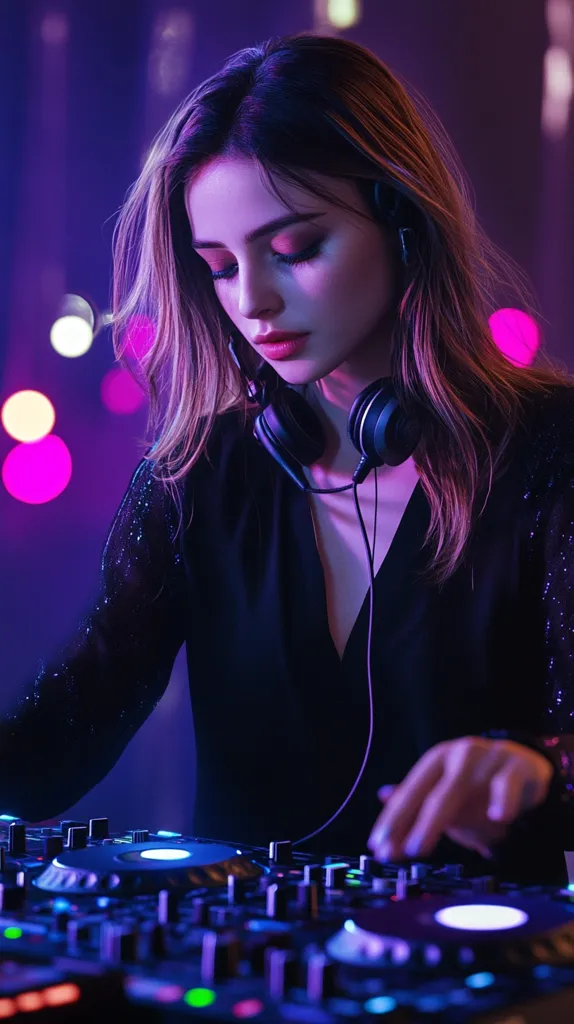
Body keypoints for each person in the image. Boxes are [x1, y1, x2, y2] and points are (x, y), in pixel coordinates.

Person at [1, 32, 574, 885]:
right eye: (221, 267)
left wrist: (538, 769)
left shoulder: (551, 450)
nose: (252, 302)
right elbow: (66, 730)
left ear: (404, 223)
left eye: (296, 248)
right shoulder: (198, 471)